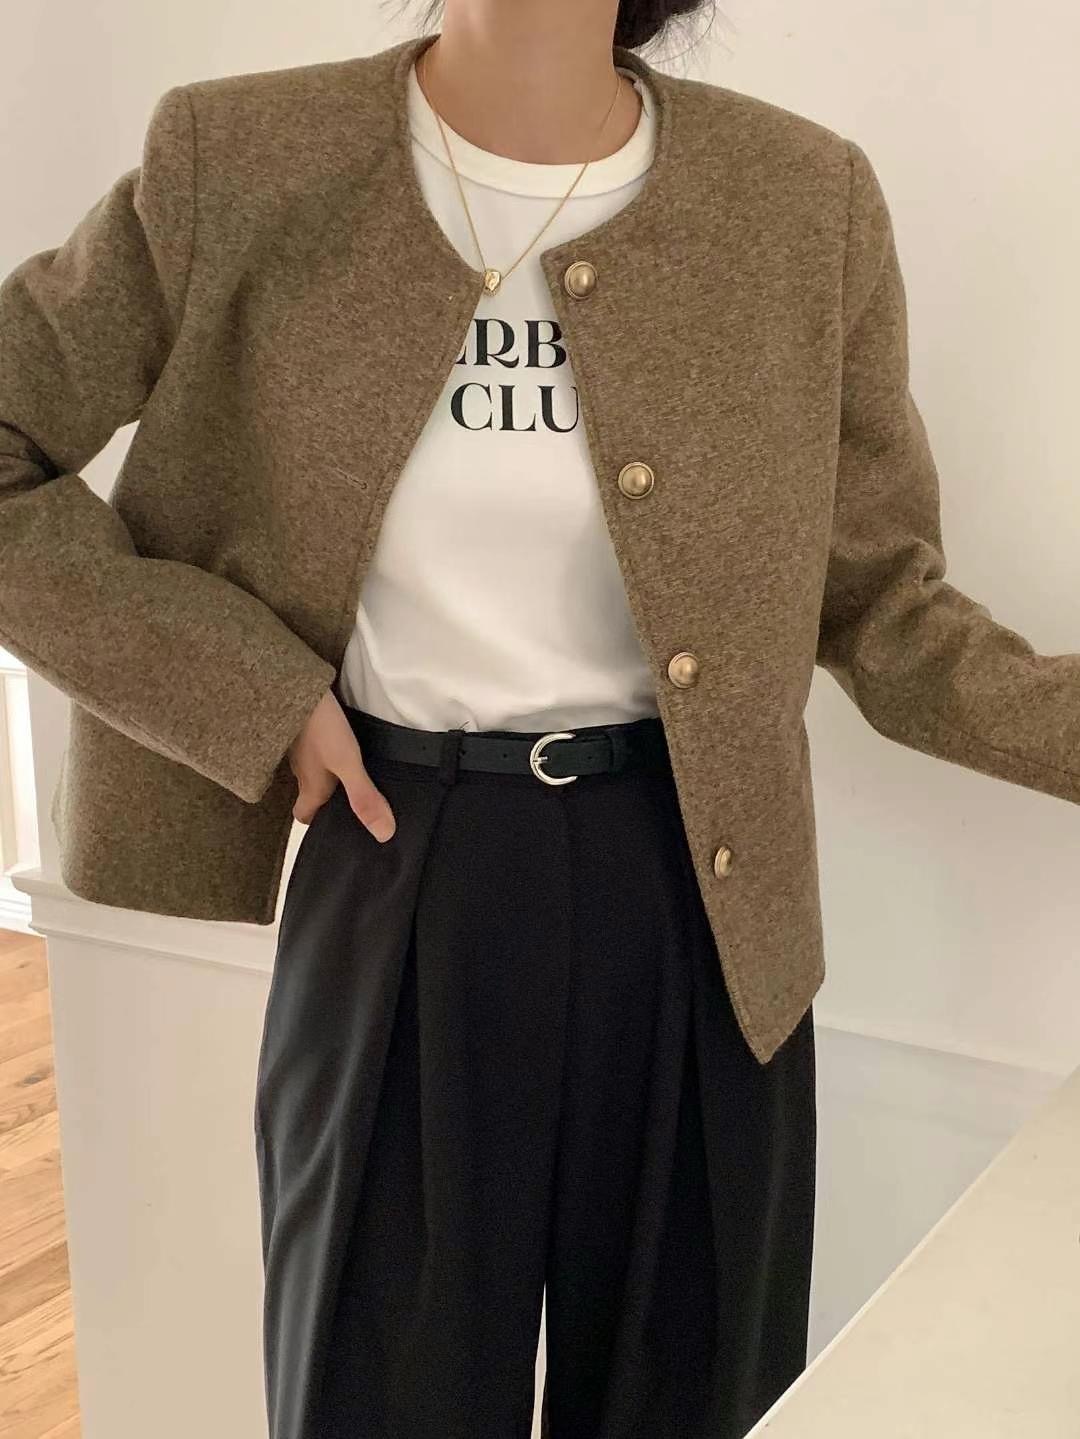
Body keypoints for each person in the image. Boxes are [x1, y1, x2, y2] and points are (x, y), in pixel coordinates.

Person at [4, 3, 1079, 1438]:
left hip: (706, 902)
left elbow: (884, 605)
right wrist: (253, 692)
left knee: (693, 1392)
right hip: (402, 860)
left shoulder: (802, 201)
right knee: (378, 1393)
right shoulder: (242, 159)